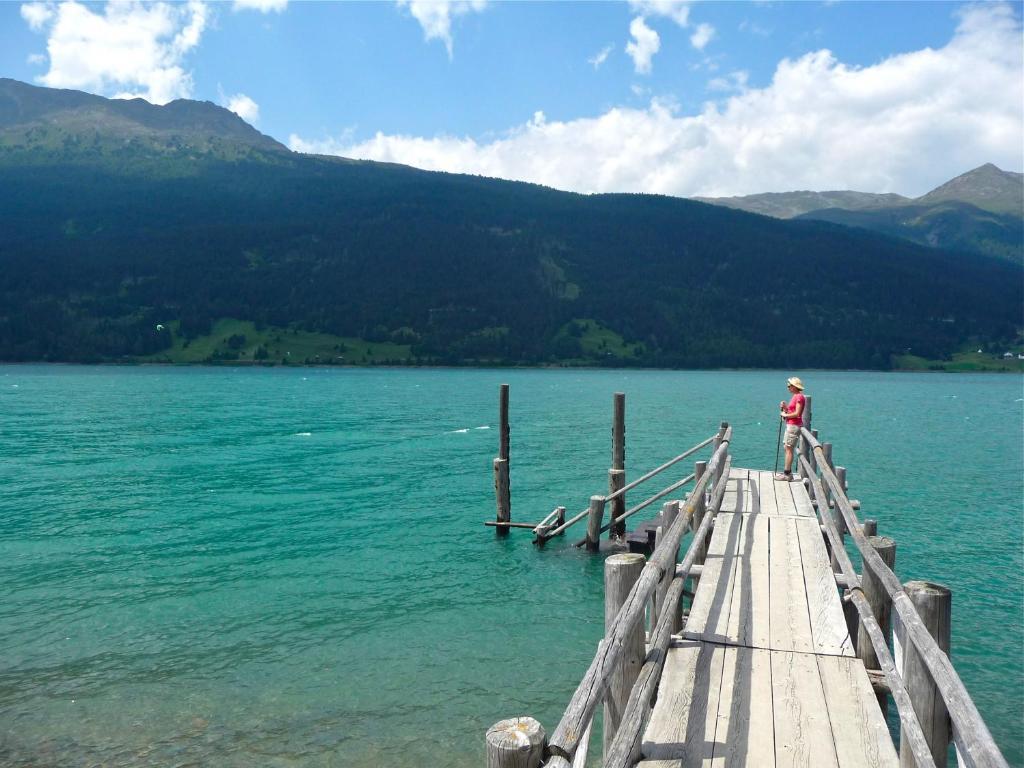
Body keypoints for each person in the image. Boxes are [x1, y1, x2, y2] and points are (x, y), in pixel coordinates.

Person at [775, 377, 806, 481]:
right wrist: (785, 408)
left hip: (793, 426)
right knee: (787, 448)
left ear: (795, 387)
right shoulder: (795, 396)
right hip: (790, 425)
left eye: (789, 386)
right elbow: (792, 412)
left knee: (788, 449)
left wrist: (785, 414)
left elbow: (797, 414)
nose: (788, 387)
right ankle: (788, 472)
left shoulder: (799, 397)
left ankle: (787, 474)